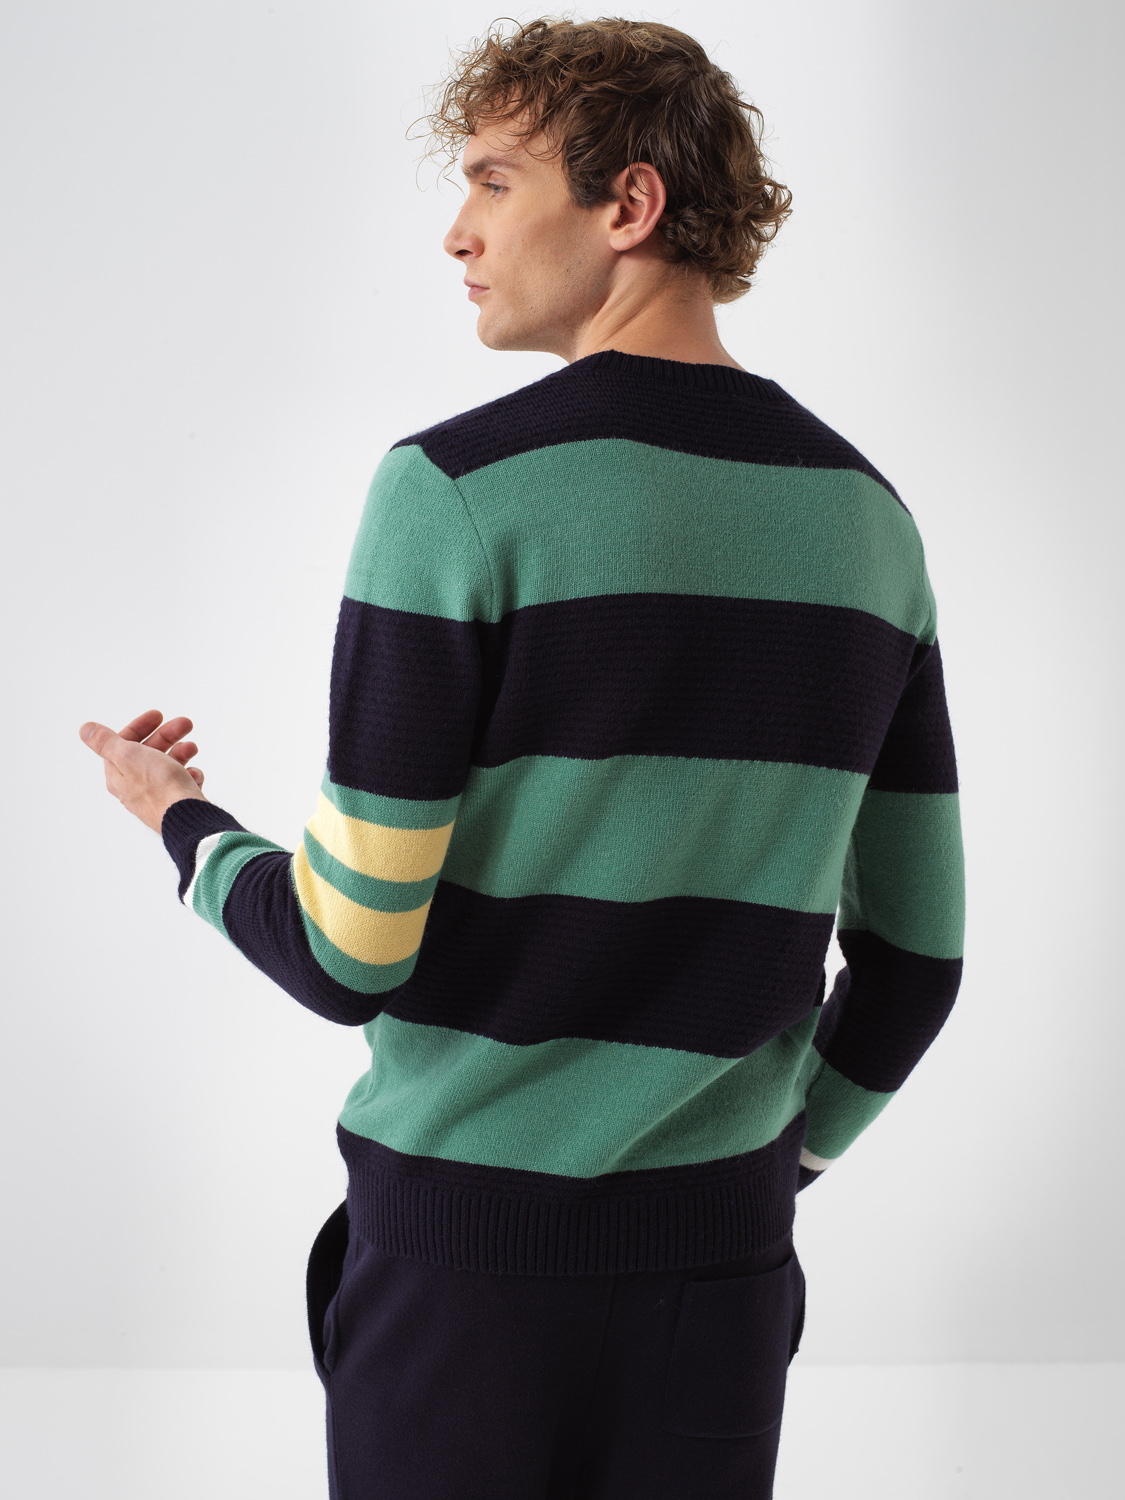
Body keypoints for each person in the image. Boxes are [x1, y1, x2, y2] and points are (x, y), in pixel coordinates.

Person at [79, 16, 965, 1500]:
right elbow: (917, 964)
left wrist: (182, 824)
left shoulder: (456, 492)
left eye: (495, 180)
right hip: (722, 1285)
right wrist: (762, 1167)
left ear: (629, 204)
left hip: (464, 1277)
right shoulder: (870, 527)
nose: (457, 231)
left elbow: (348, 953)